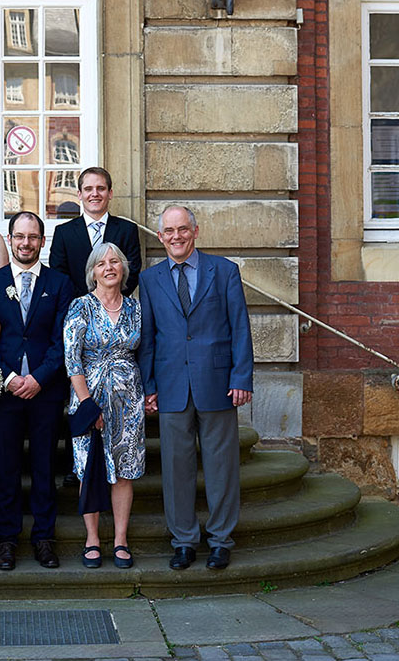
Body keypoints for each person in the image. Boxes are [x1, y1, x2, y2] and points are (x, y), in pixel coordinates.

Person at [137, 205, 254, 571]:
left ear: (195, 231)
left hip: (217, 383)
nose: (176, 236)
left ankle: (220, 539)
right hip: (171, 384)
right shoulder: (149, 279)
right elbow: (148, 338)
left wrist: (241, 378)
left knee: (221, 466)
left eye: (182, 229)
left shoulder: (224, 271)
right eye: (169, 231)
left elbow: (240, 328)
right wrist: (149, 386)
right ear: (160, 237)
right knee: (176, 469)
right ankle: (184, 541)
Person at [0, 212, 74, 570]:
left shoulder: (60, 283)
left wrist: (40, 378)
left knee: (45, 465)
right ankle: (7, 539)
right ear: (10, 238)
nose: (26, 243)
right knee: (8, 466)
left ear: (42, 241)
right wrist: (9, 378)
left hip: (45, 392)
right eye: (19, 236)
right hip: (5, 393)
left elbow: (63, 340)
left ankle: (44, 538)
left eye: (33, 237)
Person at [63, 242, 145, 569]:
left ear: (123, 270)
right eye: (101, 263)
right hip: (89, 398)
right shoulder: (80, 307)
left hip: (129, 399)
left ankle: (121, 539)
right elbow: (72, 360)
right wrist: (88, 406)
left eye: (115, 262)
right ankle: (92, 539)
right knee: (89, 468)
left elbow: (145, 350)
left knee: (125, 471)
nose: (109, 267)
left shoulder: (136, 308)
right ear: (92, 272)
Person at [50, 167, 142, 298]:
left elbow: (132, 272)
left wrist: (109, 299)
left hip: (115, 307)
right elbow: (59, 274)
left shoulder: (127, 230)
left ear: (110, 193)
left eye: (101, 188)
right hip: (76, 307)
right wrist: (86, 302)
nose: (95, 194)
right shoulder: (63, 233)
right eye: (88, 189)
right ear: (80, 195)